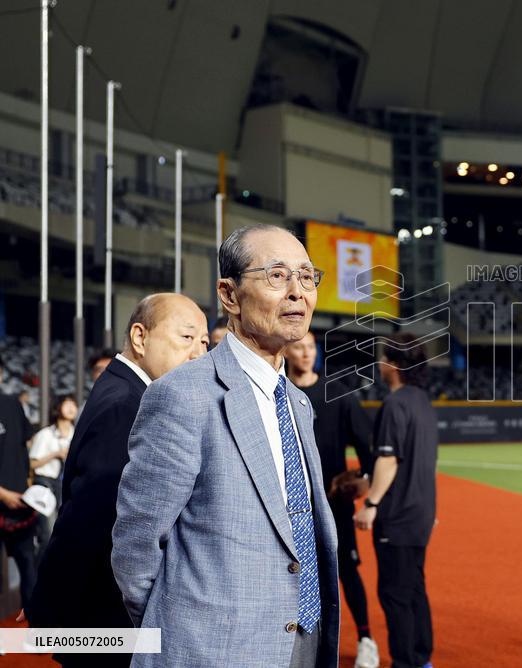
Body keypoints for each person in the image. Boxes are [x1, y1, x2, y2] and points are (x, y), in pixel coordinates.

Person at [112, 224, 341, 667]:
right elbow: (136, 543)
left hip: (303, 640)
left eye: (308, 276)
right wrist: (179, 629)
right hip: (212, 650)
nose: (298, 292)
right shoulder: (182, 395)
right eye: (277, 276)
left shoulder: (296, 402)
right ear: (229, 295)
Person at [26, 294, 208, 667]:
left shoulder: (125, 390)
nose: (198, 354)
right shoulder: (129, 404)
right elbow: (91, 517)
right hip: (106, 615)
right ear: (140, 337)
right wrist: (50, 608)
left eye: (205, 343)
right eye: (187, 338)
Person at [287, 330, 380, 668]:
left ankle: (366, 639)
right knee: (292, 575)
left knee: (346, 571)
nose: (306, 352)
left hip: (333, 506)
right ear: (287, 351)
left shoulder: (338, 394)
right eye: (298, 347)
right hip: (289, 509)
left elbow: (368, 448)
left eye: (311, 346)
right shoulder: (277, 392)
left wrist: (363, 481)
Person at [355, 333, 438, 668]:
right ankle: (421, 658)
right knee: (414, 587)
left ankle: (405, 662)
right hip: (420, 512)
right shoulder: (423, 402)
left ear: (396, 364)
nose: (380, 363)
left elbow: (390, 460)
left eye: (385, 357)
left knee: (395, 595)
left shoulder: (396, 403)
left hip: (397, 515)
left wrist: (371, 503)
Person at [0, 354, 37, 608]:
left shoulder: (12, 404)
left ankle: (36, 630)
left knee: (28, 565)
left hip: (21, 504)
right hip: (3, 498)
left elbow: (25, 447)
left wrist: (28, 486)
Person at [28, 394, 76, 552]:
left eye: (73, 404)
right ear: (57, 408)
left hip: (67, 487)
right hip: (46, 486)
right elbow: (32, 463)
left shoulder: (77, 434)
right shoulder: (46, 434)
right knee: (49, 534)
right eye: (66, 404)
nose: (71, 408)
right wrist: (55, 454)